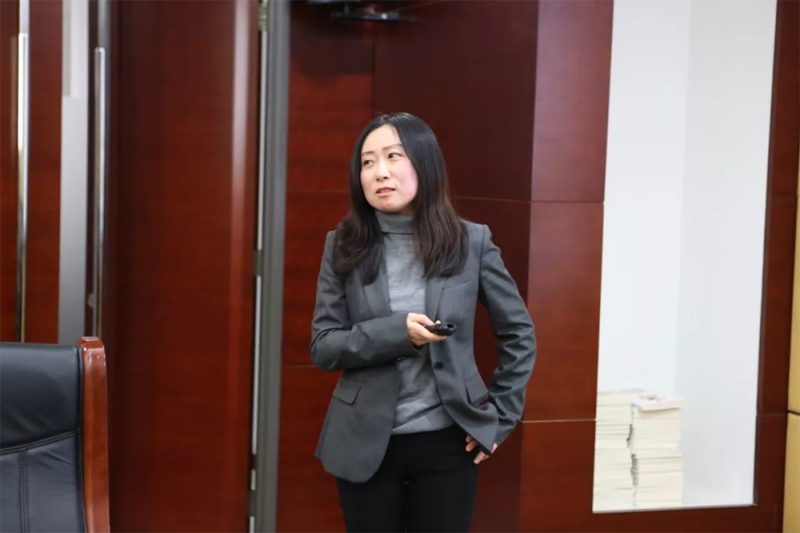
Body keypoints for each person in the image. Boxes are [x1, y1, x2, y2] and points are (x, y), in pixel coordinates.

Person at [309, 112, 537, 533]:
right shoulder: (342, 244)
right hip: (365, 441)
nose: (380, 172)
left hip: (449, 441)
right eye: (367, 162)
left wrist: (501, 418)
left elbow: (519, 333)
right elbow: (324, 346)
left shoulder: (471, 241)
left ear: (424, 163)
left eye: (393, 156)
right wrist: (398, 333)